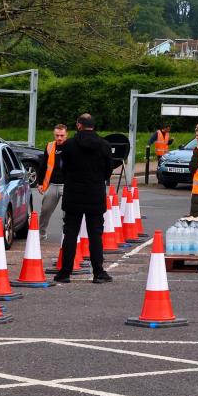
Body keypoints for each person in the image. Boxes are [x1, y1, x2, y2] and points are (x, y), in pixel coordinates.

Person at [54, 114, 114, 284]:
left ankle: (65, 272)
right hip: (95, 193)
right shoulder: (104, 145)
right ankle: (98, 272)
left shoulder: (69, 145)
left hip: (73, 193)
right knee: (95, 234)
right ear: (93, 126)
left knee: (70, 233)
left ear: (79, 125)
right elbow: (108, 170)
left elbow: (63, 168)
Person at [36, 124, 68, 241]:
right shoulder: (50, 146)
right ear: (54, 135)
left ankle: (67, 235)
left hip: (67, 185)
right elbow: (43, 165)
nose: (59, 138)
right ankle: (41, 234)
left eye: (62, 135)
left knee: (68, 212)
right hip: (53, 184)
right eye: (57, 135)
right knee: (45, 210)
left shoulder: (71, 146)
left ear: (66, 135)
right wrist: (40, 183)